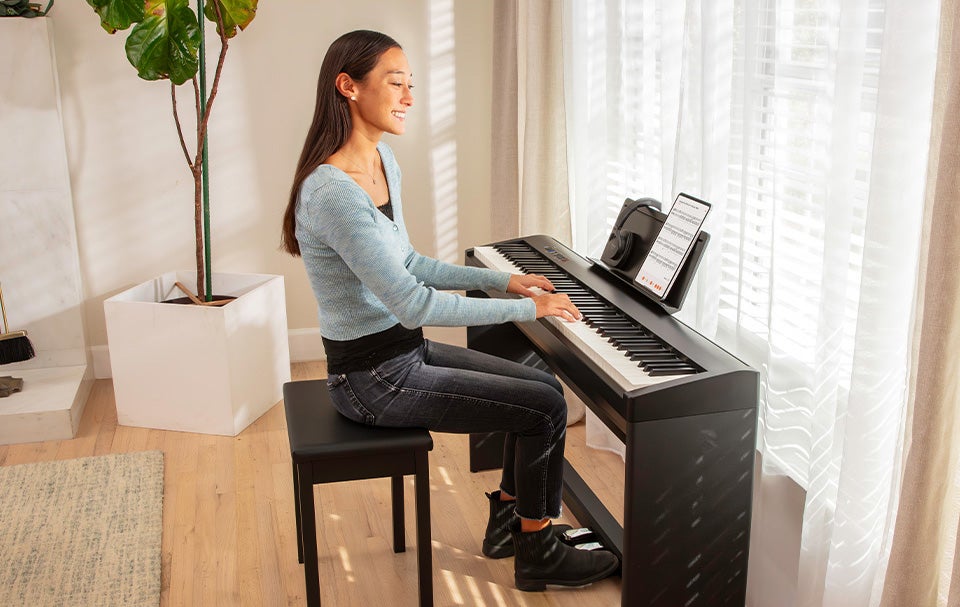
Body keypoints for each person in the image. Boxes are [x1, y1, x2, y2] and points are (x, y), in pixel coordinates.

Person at [280, 29, 619, 592]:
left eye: (412, 84)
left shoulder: (383, 161)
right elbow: (413, 302)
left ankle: (510, 525)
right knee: (541, 406)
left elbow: (410, 261)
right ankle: (539, 552)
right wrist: (528, 310)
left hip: (401, 353)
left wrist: (505, 281)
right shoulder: (332, 193)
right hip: (370, 379)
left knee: (544, 394)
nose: (410, 96)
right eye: (396, 83)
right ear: (348, 87)